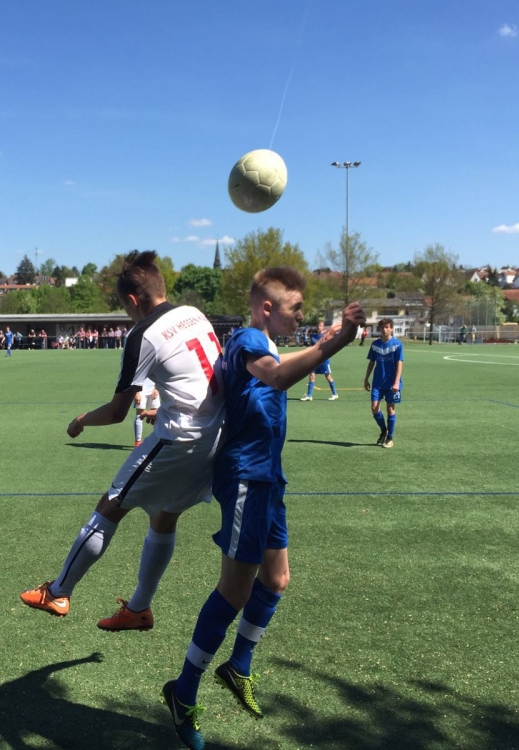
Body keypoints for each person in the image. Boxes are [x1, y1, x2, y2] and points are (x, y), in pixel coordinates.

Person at [163, 268, 364, 750]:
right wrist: (336, 343)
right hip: (246, 478)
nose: (301, 315)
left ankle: (238, 666)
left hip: (269, 477)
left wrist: (327, 340)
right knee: (235, 590)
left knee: (276, 580)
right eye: (296, 308)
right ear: (267, 308)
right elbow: (275, 375)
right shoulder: (249, 339)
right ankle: (183, 692)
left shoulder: (265, 344)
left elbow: (279, 365)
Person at [21, 250, 225, 633]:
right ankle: (139, 608)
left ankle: (59, 592)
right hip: (218, 434)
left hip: (180, 439)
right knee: (164, 516)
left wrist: (81, 420)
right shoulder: (195, 314)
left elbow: (117, 412)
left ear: (132, 300)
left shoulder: (142, 334)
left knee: (111, 504)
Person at [364, 318, 403, 449]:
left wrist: (396, 382)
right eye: (382, 327)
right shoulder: (375, 344)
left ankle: (390, 437)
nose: (384, 329)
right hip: (377, 382)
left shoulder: (397, 344)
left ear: (391, 328)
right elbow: (371, 362)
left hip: (392, 383)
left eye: (387, 327)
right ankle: (384, 430)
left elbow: (399, 363)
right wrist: (366, 378)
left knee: (390, 409)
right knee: (374, 407)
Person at [299, 320, 340, 401]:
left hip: (324, 359)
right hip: (315, 359)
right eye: (318, 325)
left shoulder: (326, 336)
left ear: (323, 327)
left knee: (328, 376)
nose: (318, 327)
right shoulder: (313, 335)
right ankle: (309, 395)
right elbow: (312, 346)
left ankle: (335, 394)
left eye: (320, 325)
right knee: (312, 375)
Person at [133, 377, 160, 448]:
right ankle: (138, 441)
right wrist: (136, 392)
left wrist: (157, 388)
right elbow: (134, 375)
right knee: (140, 414)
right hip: (140, 390)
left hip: (153, 388)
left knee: (156, 414)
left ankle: (157, 439)